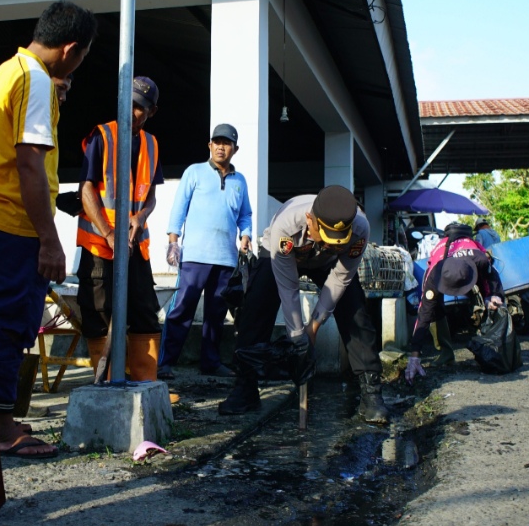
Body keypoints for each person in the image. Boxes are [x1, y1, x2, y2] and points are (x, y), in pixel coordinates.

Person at [0, 1, 96, 458]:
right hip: (12, 222)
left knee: (7, 322)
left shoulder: (8, 70)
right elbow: (29, 163)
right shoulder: (37, 80)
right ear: (71, 50)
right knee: (8, 323)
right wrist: (49, 237)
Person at [218, 185, 391, 425]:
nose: (335, 245)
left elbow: (340, 278)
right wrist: (299, 338)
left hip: (329, 265)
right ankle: (245, 386)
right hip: (282, 254)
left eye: (340, 242)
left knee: (355, 311)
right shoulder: (286, 226)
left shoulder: (360, 227)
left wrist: (315, 325)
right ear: (311, 220)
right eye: (330, 240)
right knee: (256, 305)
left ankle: (371, 392)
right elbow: (288, 290)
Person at [76, 76, 165, 381]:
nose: (133, 112)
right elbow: (86, 189)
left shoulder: (152, 144)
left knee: (144, 312)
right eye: (129, 104)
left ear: (151, 111)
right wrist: (108, 232)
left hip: (135, 244)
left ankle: (146, 383)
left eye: (141, 108)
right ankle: (107, 382)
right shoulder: (103, 136)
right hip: (100, 245)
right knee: (99, 313)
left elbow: (151, 193)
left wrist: (141, 217)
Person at [158, 123, 253, 380]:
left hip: (225, 258)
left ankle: (210, 363)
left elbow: (245, 214)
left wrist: (246, 235)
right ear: (209, 145)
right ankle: (165, 363)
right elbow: (179, 207)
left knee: (216, 314)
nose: (221, 147)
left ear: (235, 148)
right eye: (217, 142)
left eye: (227, 143)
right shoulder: (195, 172)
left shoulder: (240, 181)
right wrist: (173, 241)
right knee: (182, 309)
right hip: (195, 256)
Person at [404, 223, 504, 379]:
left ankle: (495, 345)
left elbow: (491, 277)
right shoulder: (433, 276)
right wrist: (414, 356)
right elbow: (423, 315)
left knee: (494, 302)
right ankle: (446, 352)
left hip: (469, 262)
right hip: (443, 265)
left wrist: (493, 295)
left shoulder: (480, 259)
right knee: (434, 309)